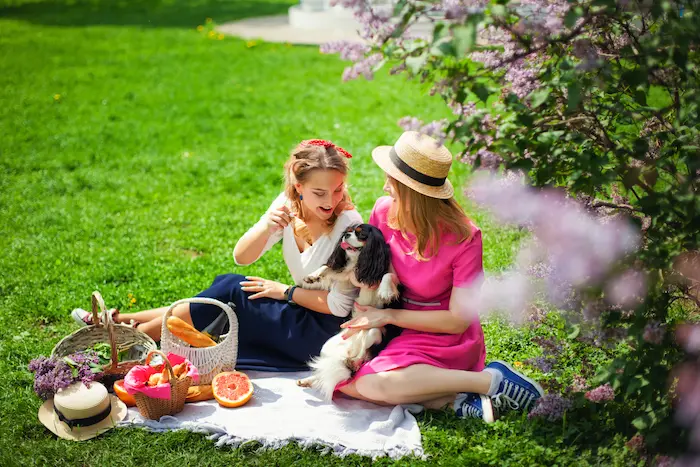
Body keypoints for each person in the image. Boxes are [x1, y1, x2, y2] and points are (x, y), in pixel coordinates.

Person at [71, 139, 363, 372]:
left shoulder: (348, 227)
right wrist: (266, 227)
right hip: (302, 307)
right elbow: (242, 256)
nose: (331, 200)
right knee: (230, 284)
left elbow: (340, 307)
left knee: (233, 291)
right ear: (298, 187)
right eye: (320, 192)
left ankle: (126, 342)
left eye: (338, 190)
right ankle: (122, 323)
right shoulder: (289, 203)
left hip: (323, 332)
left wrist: (285, 292)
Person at [336, 131, 544, 422]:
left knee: (373, 384)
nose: (385, 188)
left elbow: (457, 319)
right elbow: (375, 268)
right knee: (341, 380)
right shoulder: (384, 213)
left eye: (392, 183)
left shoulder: (465, 238)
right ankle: (454, 400)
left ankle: (491, 380)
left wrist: (388, 318)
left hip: (443, 334)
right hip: (394, 328)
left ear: (414, 193)